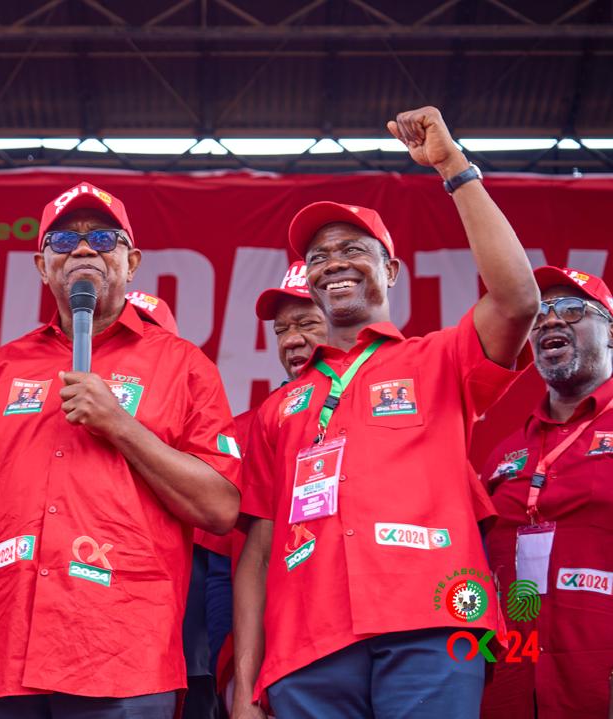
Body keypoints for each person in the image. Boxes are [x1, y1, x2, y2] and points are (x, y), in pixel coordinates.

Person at [233, 105, 540, 719]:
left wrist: (452, 166)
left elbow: (516, 300)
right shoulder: (276, 411)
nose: (333, 262)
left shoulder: (440, 359)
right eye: (318, 257)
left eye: (352, 249)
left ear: (390, 270)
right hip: (306, 645)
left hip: (433, 620)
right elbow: (259, 554)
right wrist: (245, 685)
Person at [0, 181, 242, 719]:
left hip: (118, 653)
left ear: (131, 262)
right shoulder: (1, 367)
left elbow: (221, 509)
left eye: (102, 237)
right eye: (63, 241)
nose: (83, 250)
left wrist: (120, 425)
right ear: (42, 266)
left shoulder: (184, 365)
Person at [479, 266, 613, 718]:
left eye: (573, 310)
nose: (551, 321)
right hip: (512, 683)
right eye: (540, 313)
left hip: (598, 681)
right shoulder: (506, 453)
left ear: (610, 333)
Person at [221, 261, 327, 712]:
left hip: (395, 645)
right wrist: (244, 689)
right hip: (297, 655)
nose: (291, 340)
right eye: (282, 329)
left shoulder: (397, 395)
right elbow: (256, 555)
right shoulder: (267, 420)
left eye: (306, 323)